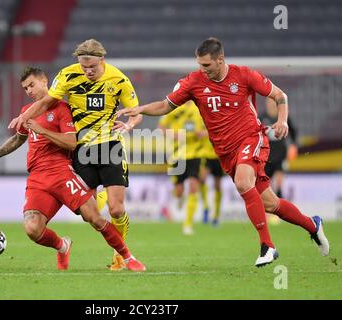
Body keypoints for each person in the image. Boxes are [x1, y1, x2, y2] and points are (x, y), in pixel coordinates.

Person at [116, 37, 329, 267]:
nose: (202, 70)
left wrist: (283, 120)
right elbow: (165, 105)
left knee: (242, 182)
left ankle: (268, 246)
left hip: (251, 138)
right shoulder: (194, 81)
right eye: (199, 64)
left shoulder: (245, 75)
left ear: (220, 59)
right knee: (270, 203)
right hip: (225, 151)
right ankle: (312, 224)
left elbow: (280, 95)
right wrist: (140, 109)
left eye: (206, 65)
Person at [0, 67, 145, 272]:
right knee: (32, 229)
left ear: (44, 81)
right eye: (25, 88)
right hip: (37, 178)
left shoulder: (62, 108)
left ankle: (128, 258)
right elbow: (19, 138)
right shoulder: (26, 112)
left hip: (62, 173)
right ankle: (62, 246)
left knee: (95, 218)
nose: (29, 91)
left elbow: (71, 143)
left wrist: (42, 130)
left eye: (32, 85)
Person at [158, 100, 208, 235]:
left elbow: (209, 129)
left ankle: (188, 224)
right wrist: (172, 134)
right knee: (179, 191)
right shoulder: (173, 109)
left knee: (193, 186)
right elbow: (160, 128)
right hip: (177, 155)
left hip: (195, 154)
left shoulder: (199, 109)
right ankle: (180, 199)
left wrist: (202, 133)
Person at [260, 97, 298, 199]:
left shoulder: (283, 117)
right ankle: (271, 204)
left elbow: (293, 132)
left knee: (279, 179)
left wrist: (293, 145)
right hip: (266, 156)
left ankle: (280, 196)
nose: (270, 104)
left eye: (272, 102)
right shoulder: (261, 117)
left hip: (280, 154)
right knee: (267, 184)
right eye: (269, 102)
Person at [200, 131, 224, 226]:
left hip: (218, 156)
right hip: (206, 155)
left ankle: (216, 215)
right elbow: (196, 132)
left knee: (217, 185)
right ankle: (206, 207)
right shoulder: (199, 118)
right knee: (202, 179)